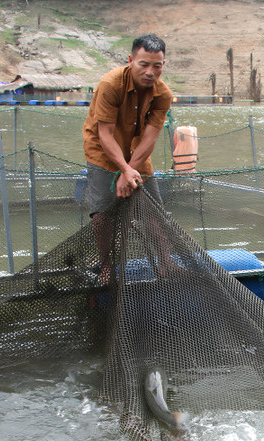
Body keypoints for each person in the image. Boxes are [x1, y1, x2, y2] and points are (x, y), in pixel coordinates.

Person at [82, 33, 173, 284]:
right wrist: (123, 169)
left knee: (154, 210)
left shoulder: (163, 94)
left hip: (137, 152)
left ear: (163, 65)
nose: (150, 72)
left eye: (157, 66)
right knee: (103, 213)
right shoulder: (110, 84)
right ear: (131, 60)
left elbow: (150, 138)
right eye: (144, 64)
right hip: (103, 150)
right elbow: (105, 133)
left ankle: (166, 263)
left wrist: (130, 171)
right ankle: (106, 266)